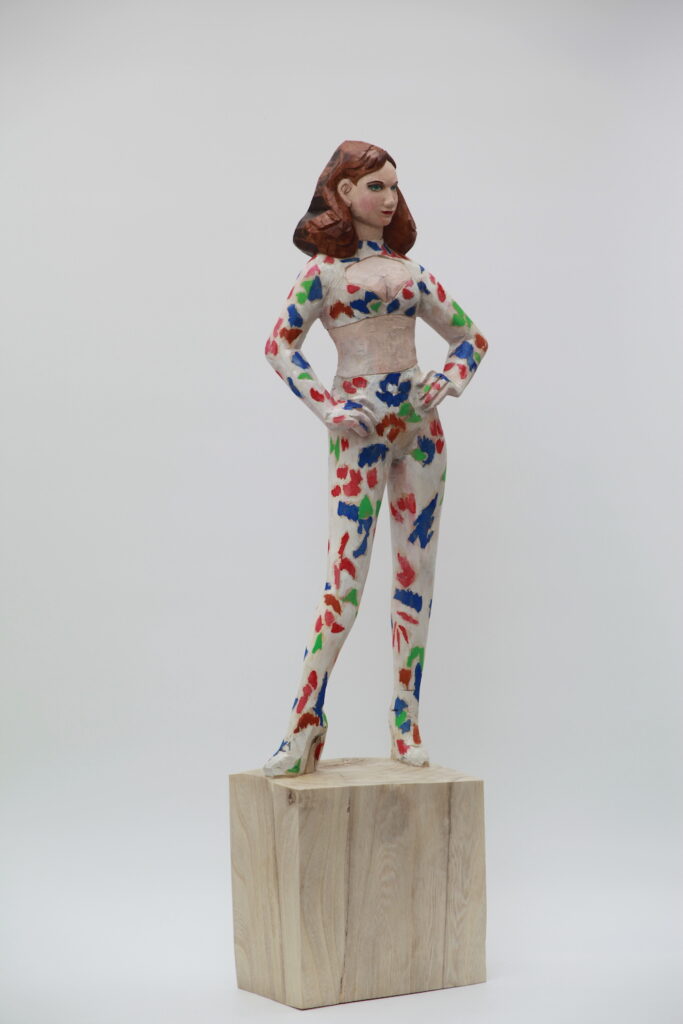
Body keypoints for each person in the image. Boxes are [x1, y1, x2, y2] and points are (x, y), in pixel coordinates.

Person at [262, 140, 488, 776]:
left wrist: (450, 376)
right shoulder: (323, 274)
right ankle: (304, 721)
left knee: (417, 577)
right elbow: (279, 346)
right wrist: (327, 407)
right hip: (359, 434)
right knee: (345, 582)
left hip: (420, 430)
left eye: (394, 187)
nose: (389, 199)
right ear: (343, 192)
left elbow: (471, 339)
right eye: (376, 186)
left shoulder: (410, 273)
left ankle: (405, 719)